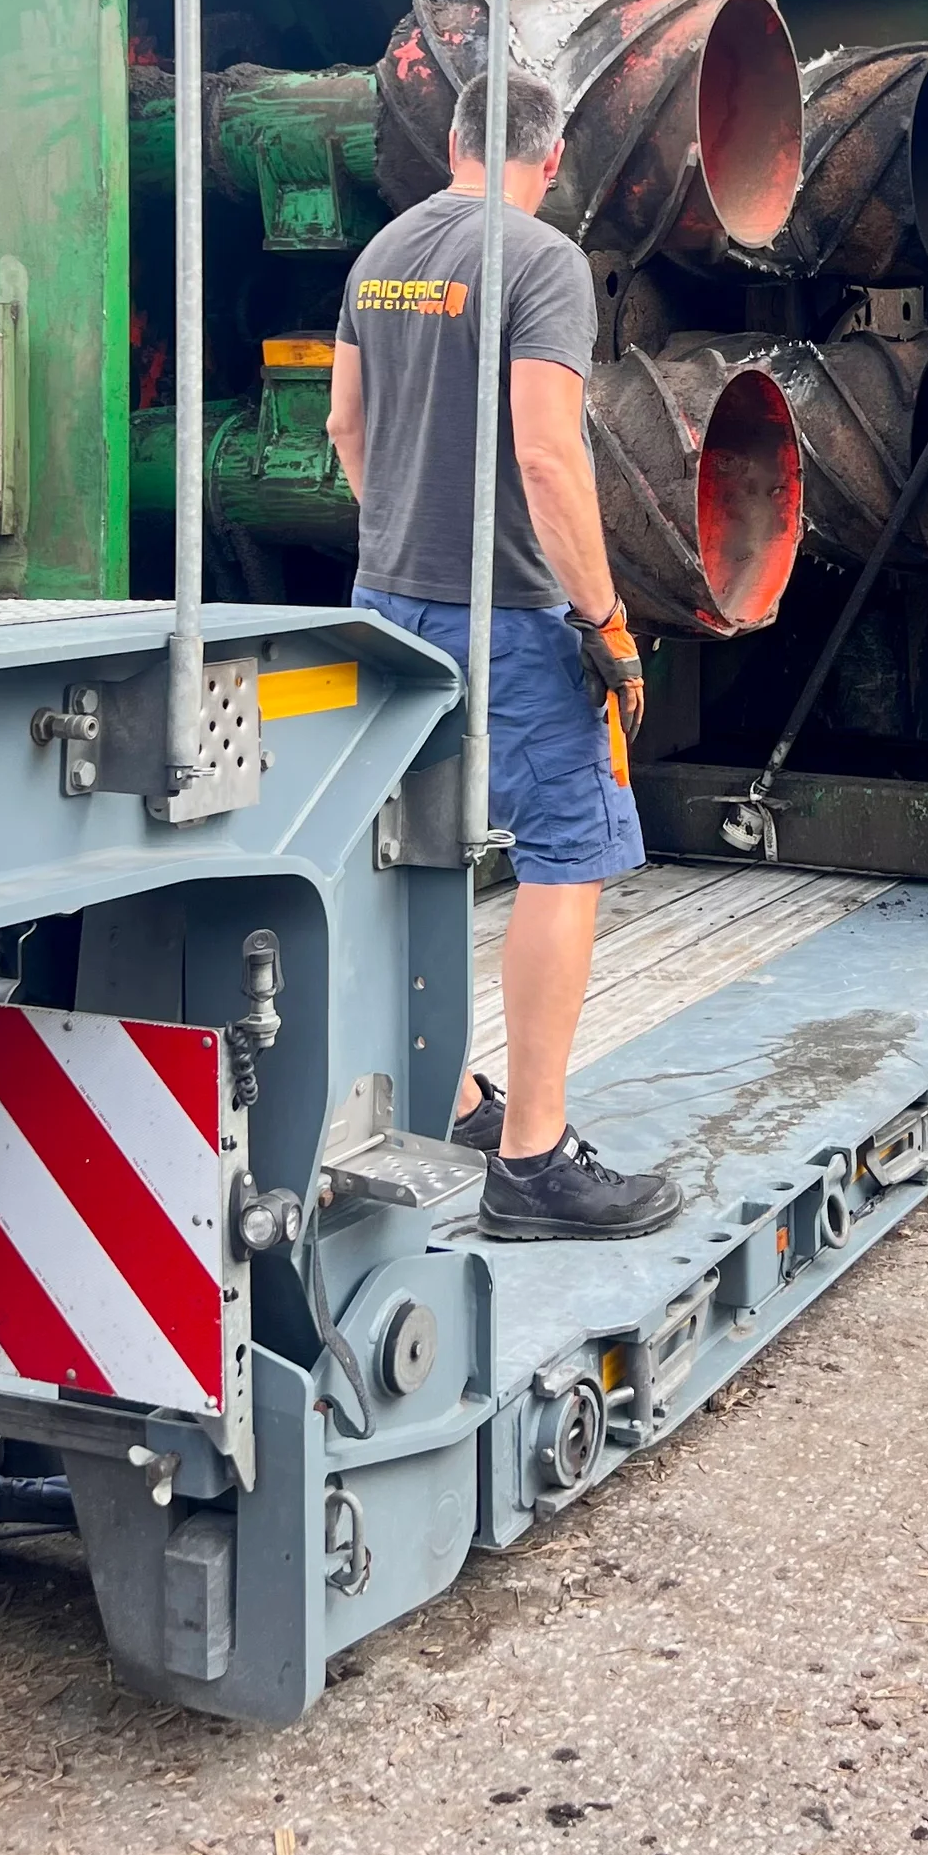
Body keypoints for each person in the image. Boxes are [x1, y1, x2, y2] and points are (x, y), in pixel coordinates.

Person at [326, 65, 683, 1243]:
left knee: (413, 856)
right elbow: (545, 454)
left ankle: (455, 1093)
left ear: (456, 143)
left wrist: (407, 530)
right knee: (565, 852)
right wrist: (605, 619)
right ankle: (531, 1161)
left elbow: (344, 425)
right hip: (516, 614)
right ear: (554, 150)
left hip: (389, 600)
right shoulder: (540, 260)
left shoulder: (382, 253)